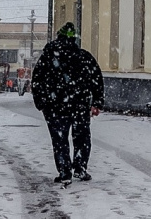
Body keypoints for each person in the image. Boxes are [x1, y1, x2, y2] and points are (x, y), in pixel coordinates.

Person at [31, 22, 104, 185]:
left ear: (59, 37)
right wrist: (97, 102)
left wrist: (41, 102)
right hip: (79, 104)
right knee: (82, 137)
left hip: (54, 105)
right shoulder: (84, 57)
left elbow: (37, 80)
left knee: (59, 139)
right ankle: (80, 168)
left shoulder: (48, 56)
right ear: (75, 40)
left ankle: (64, 171)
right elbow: (96, 79)